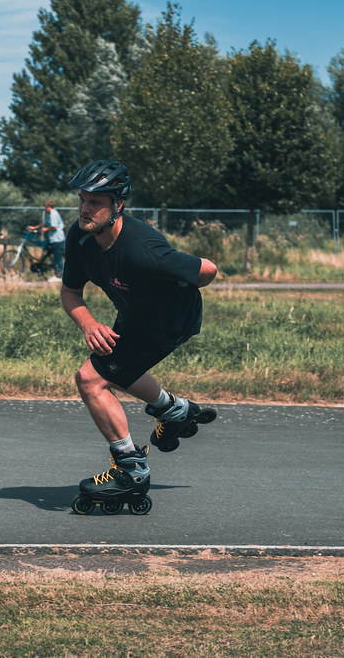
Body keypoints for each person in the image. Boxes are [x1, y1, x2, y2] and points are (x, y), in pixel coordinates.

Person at [59, 160, 218, 513]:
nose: (84, 209)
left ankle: (131, 470)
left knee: (91, 379)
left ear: (117, 205)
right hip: (133, 315)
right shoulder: (80, 237)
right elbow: (70, 292)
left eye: (95, 202)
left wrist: (189, 283)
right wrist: (88, 323)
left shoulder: (143, 249)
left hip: (169, 320)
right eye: (82, 199)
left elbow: (208, 269)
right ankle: (174, 411)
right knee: (117, 369)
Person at [28, 200, 65, 279]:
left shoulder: (53, 215)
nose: (44, 209)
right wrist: (34, 227)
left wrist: (46, 229)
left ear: (48, 207)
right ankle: (57, 273)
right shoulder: (51, 214)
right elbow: (44, 223)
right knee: (54, 256)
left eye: (45, 207)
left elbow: (54, 227)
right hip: (53, 239)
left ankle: (59, 276)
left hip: (57, 239)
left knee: (57, 257)